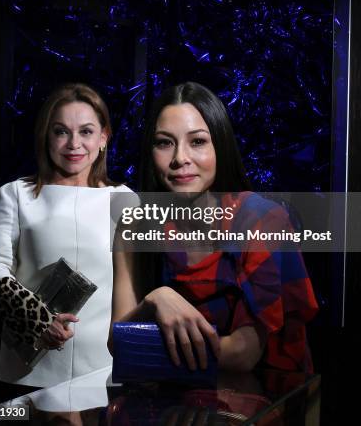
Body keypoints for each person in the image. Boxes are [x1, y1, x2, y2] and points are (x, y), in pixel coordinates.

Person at [109, 82, 319, 374]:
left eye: (197, 141)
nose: (180, 158)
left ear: (219, 145)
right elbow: (117, 344)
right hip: (167, 404)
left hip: (260, 402)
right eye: (164, 142)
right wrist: (155, 300)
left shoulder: (263, 221)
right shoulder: (135, 224)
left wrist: (144, 347)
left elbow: (242, 355)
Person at [0, 83, 133, 388]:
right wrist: (37, 320)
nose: (74, 144)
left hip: (103, 369)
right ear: (46, 138)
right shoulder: (15, 194)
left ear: (103, 137)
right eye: (61, 131)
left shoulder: (125, 198)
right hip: (29, 369)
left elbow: (132, 287)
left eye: (86, 132)